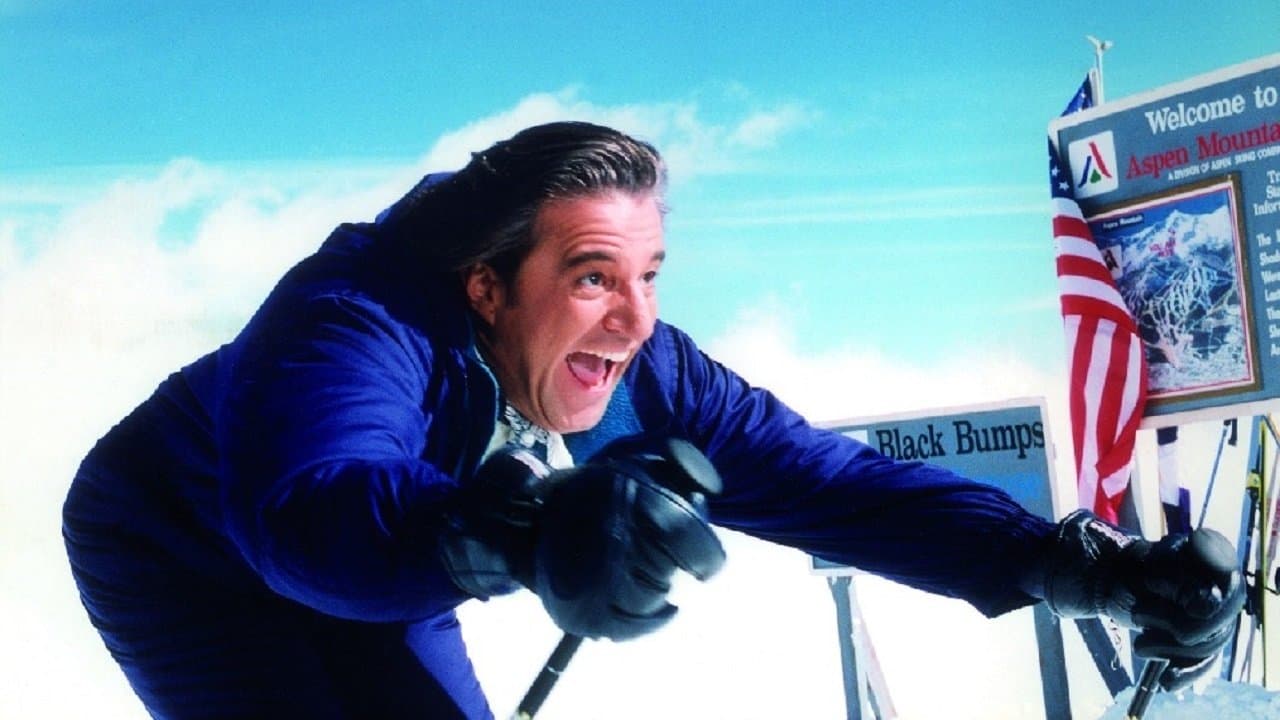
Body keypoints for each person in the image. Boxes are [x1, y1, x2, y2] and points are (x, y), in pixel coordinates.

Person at [63, 121, 1244, 719]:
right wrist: (516, 534)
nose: (634, 319)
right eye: (592, 276)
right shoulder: (349, 318)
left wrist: (1066, 564)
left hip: (403, 551)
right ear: (486, 285)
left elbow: (823, 483)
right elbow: (303, 512)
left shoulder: (637, 365)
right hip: (181, 551)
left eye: (650, 275)